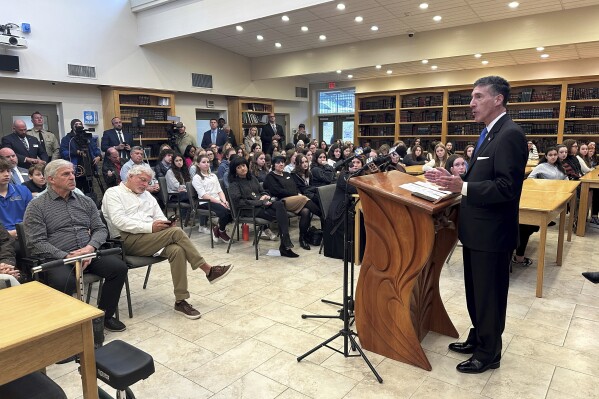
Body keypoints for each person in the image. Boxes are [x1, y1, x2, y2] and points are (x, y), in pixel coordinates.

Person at [425, 76, 527, 374]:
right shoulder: (487, 133)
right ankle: (480, 335)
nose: (471, 103)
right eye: (472, 97)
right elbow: (479, 178)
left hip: (493, 234)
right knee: (476, 292)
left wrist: (464, 187)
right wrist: (451, 182)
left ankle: (489, 353)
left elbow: (507, 187)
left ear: (498, 100)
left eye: (478, 97)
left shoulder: (510, 134)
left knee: (489, 295)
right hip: (475, 231)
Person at [102, 164, 233, 320]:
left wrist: (165, 224)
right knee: (176, 232)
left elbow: (159, 216)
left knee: (177, 250)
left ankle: (180, 300)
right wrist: (150, 227)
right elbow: (119, 222)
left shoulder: (147, 196)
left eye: (148, 182)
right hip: (125, 240)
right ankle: (208, 269)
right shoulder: (113, 193)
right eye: (142, 180)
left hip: (149, 238)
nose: (145, 185)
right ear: (130, 176)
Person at [24, 159, 128, 331]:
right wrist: (66, 256)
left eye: (72, 173)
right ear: (51, 179)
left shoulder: (84, 201)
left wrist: (90, 248)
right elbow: (36, 242)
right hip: (58, 257)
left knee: (118, 268)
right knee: (64, 281)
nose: (72, 177)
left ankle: (103, 317)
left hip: (87, 253)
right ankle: (68, 328)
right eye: (66, 174)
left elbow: (100, 229)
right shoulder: (36, 206)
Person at [228, 156, 298, 257]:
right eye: (239, 167)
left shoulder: (252, 178)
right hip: (247, 210)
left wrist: (265, 195)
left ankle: (285, 243)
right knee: (281, 214)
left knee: (279, 205)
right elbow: (240, 203)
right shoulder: (234, 184)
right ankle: (285, 245)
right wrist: (260, 202)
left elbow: (262, 191)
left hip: (261, 205)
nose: (242, 168)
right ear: (234, 170)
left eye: (243, 165)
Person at [513, 147, 567, 266]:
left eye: (555, 154)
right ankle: (519, 255)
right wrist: (543, 185)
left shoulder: (559, 167)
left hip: (553, 197)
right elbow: (530, 180)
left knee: (528, 227)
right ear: (546, 156)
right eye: (550, 155)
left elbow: (565, 179)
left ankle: (519, 251)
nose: (553, 157)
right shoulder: (540, 167)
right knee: (526, 226)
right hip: (541, 196)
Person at [264, 156, 322, 251]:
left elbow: (294, 187)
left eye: (282, 162)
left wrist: (295, 193)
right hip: (281, 202)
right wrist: (295, 194)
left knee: (306, 211)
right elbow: (277, 191)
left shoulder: (287, 174)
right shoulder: (270, 176)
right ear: (273, 165)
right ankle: (322, 215)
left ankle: (302, 238)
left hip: (294, 199)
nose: (281, 164)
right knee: (303, 198)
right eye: (278, 163)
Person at [323, 156, 365, 259]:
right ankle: (356, 254)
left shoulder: (362, 176)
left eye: (358, 162)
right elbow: (355, 189)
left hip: (352, 206)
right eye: (353, 162)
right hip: (340, 210)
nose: (355, 165)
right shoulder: (344, 175)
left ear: (362, 165)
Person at [192, 155, 232, 243]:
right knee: (224, 212)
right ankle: (222, 232)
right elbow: (203, 195)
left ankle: (217, 229)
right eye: (203, 162)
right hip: (204, 202)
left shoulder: (213, 175)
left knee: (232, 210)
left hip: (217, 200)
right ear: (198, 164)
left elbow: (219, 190)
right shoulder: (196, 178)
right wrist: (219, 202)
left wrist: (224, 201)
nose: (206, 164)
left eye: (207, 162)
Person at [60, 119, 102, 195]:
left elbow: (95, 149)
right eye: (76, 124)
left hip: (89, 167)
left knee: (90, 191)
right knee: (76, 192)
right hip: (76, 169)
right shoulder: (67, 139)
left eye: (80, 124)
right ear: (72, 126)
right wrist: (75, 152)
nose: (79, 125)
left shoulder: (88, 137)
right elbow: (63, 153)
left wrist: (99, 156)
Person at [0, 158, 32, 237]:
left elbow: (33, 217)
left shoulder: (23, 190)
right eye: (1, 171)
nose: (7, 174)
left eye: (8, 171)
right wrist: (8, 234)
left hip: (24, 233)